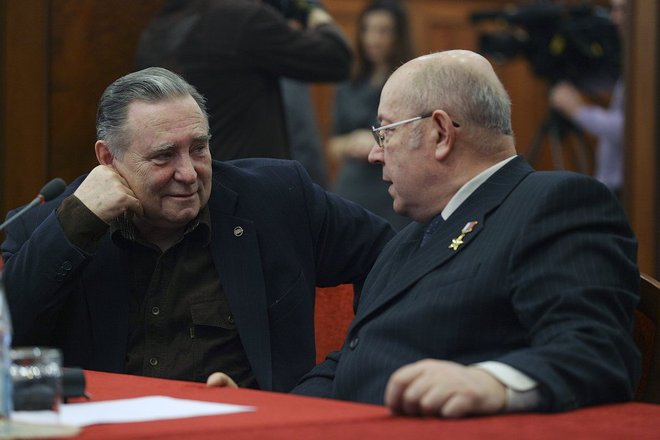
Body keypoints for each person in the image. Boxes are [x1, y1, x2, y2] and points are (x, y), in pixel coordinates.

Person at [286, 50, 639, 416]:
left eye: (386, 133)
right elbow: (355, 358)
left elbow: (597, 349)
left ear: (440, 133)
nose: (376, 155)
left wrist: (492, 382)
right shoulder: (406, 240)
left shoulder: (554, 205)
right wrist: (273, 411)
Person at [0, 67, 395, 393]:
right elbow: (10, 334)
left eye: (198, 148)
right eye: (164, 156)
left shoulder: (278, 200)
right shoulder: (55, 225)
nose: (188, 173)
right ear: (108, 158)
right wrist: (76, 226)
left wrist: (336, 377)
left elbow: (393, 257)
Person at [135, 0, 352, 161]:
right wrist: (309, 8)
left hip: (187, 179)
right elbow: (337, 58)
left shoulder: (156, 30)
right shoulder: (242, 18)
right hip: (247, 185)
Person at [328, 0, 414, 230]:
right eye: (367, 29)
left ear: (399, 36)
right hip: (351, 189)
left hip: (391, 190)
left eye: (383, 31)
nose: (372, 39)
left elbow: (417, 137)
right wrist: (353, 141)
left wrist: (377, 141)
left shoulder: (411, 83)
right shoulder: (349, 82)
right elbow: (332, 145)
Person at [549, 0, 627, 197]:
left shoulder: (647, 60)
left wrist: (578, 111)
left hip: (629, 191)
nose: (614, 19)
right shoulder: (634, 58)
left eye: (623, 10)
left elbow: (630, 130)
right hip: (614, 188)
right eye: (613, 10)